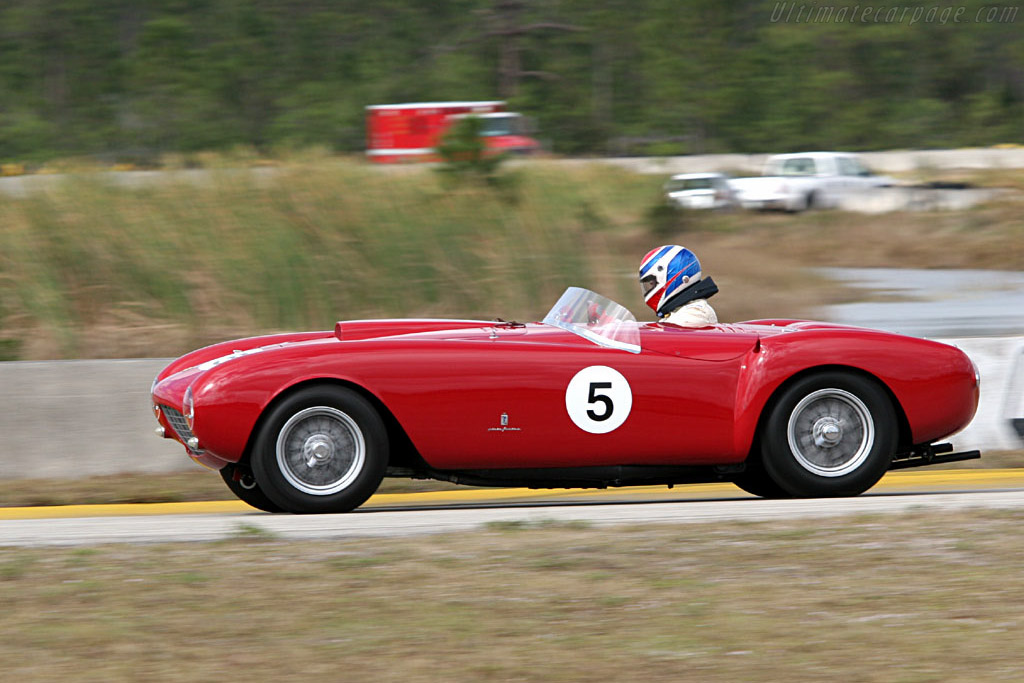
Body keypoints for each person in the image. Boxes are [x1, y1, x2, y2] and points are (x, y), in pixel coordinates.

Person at [638, 245, 718, 328]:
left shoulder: (695, 313)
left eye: (652, 283)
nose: (650, 287)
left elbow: (669, 337)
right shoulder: (679, 312)